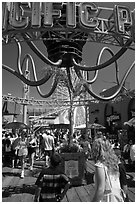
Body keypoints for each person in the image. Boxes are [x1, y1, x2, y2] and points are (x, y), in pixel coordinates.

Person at [91, 137, 124, 202]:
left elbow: (101, 189)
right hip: (116, 195)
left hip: (106, 198)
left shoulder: (100, 165)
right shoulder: (114, 162)